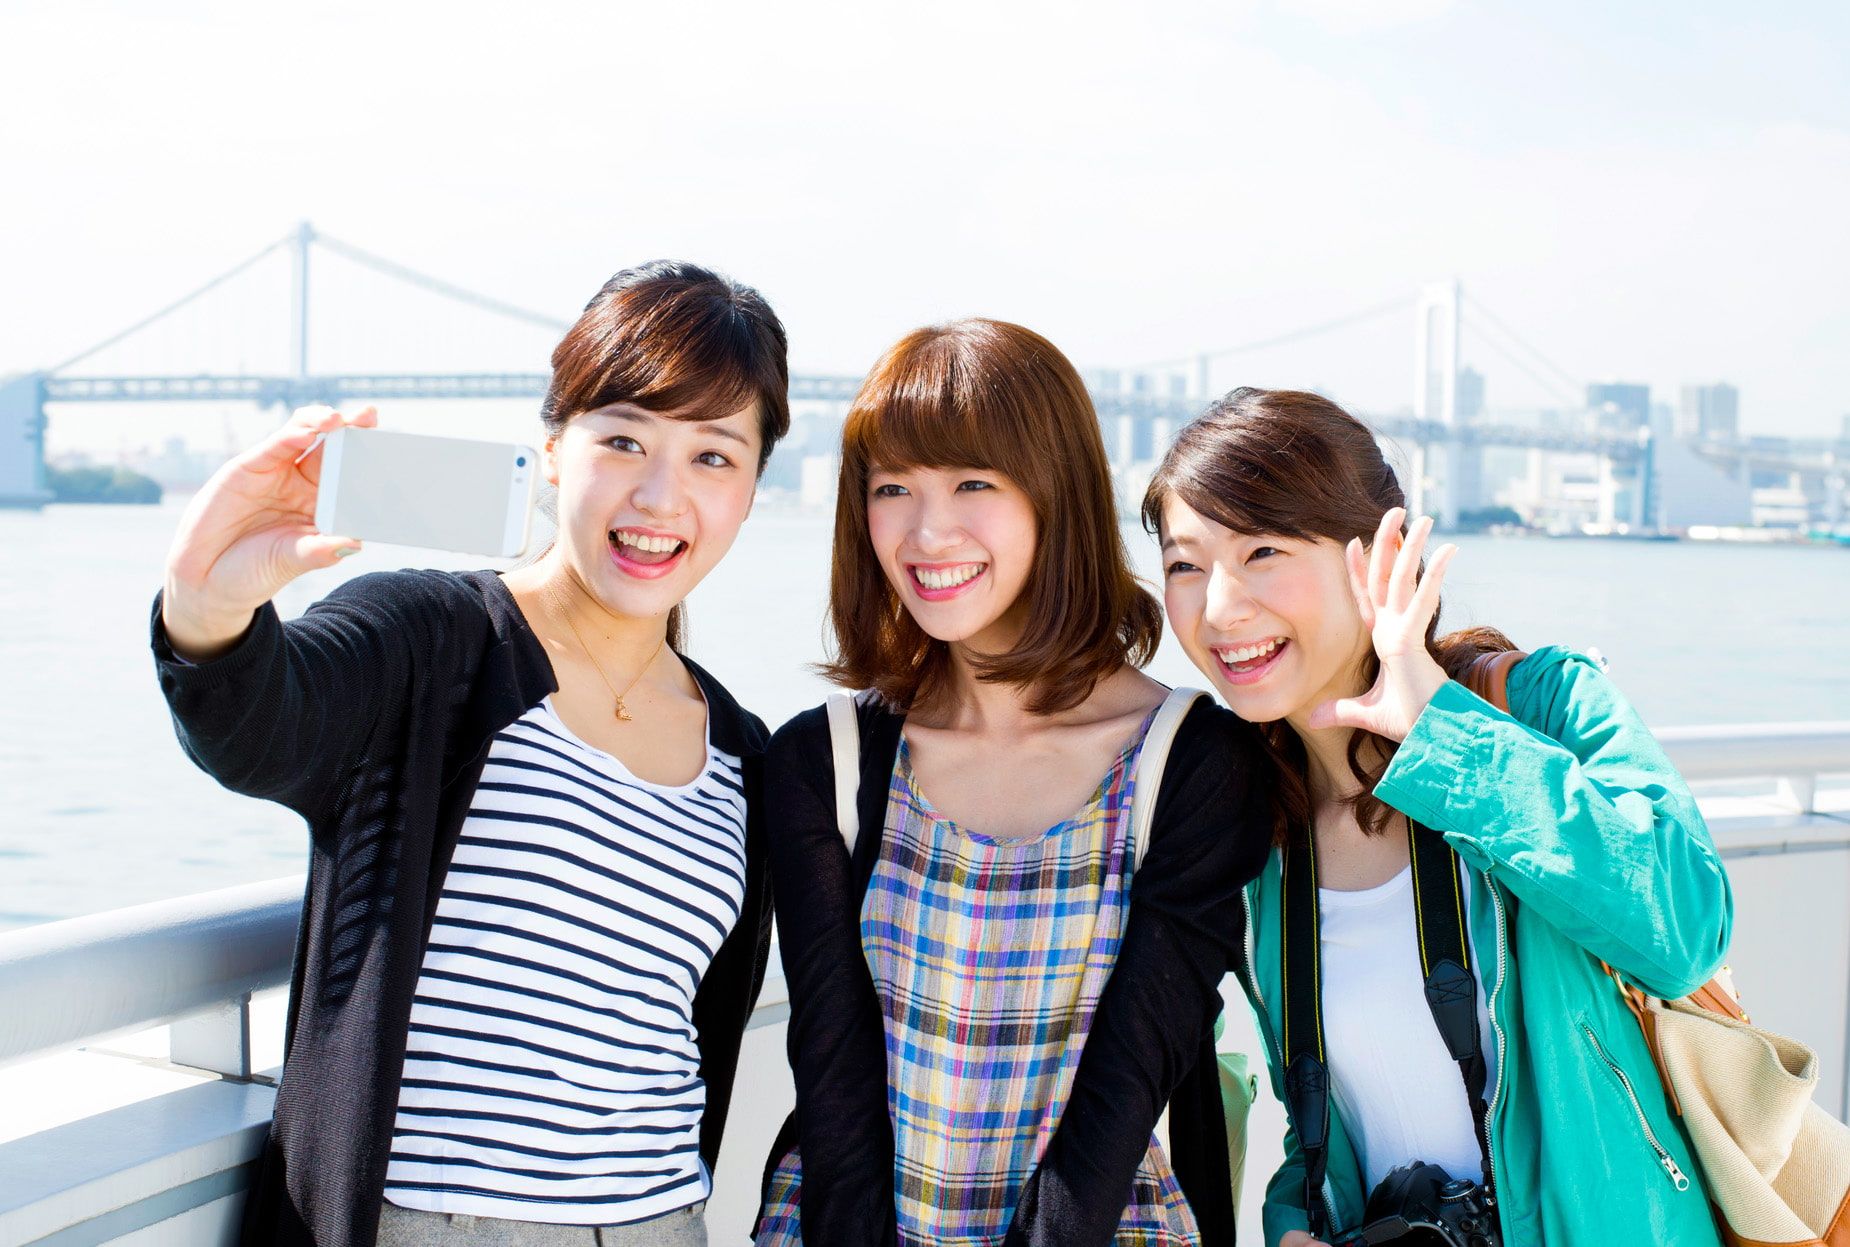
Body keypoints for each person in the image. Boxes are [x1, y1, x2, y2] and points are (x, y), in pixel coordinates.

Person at [153, 261, 791, 1247]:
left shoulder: (742, 751)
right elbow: (262, 726)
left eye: (713, 456)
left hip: (661, 1222)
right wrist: (206, 604)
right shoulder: (433, 639)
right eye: (622, 439)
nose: (660, 494)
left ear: (751, 488)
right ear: (551, 450)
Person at [1143, 387, 1733, 1246]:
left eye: (1263, 549)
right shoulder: (1257, 831)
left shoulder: (1539, 706)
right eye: (1185, 564)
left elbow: (1683, 928)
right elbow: (1338, 1128)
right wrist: (1292, 1225)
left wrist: (1442, 736)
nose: (1220, 607)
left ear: (1378, 553)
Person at [752, 319, 1271, 1247]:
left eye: (973, 484)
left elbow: (1120, 1101)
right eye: (892, 488)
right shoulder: (821, 761)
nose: (926, 529)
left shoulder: (1193, 762)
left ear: (1055, 495)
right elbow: (834, 1091)